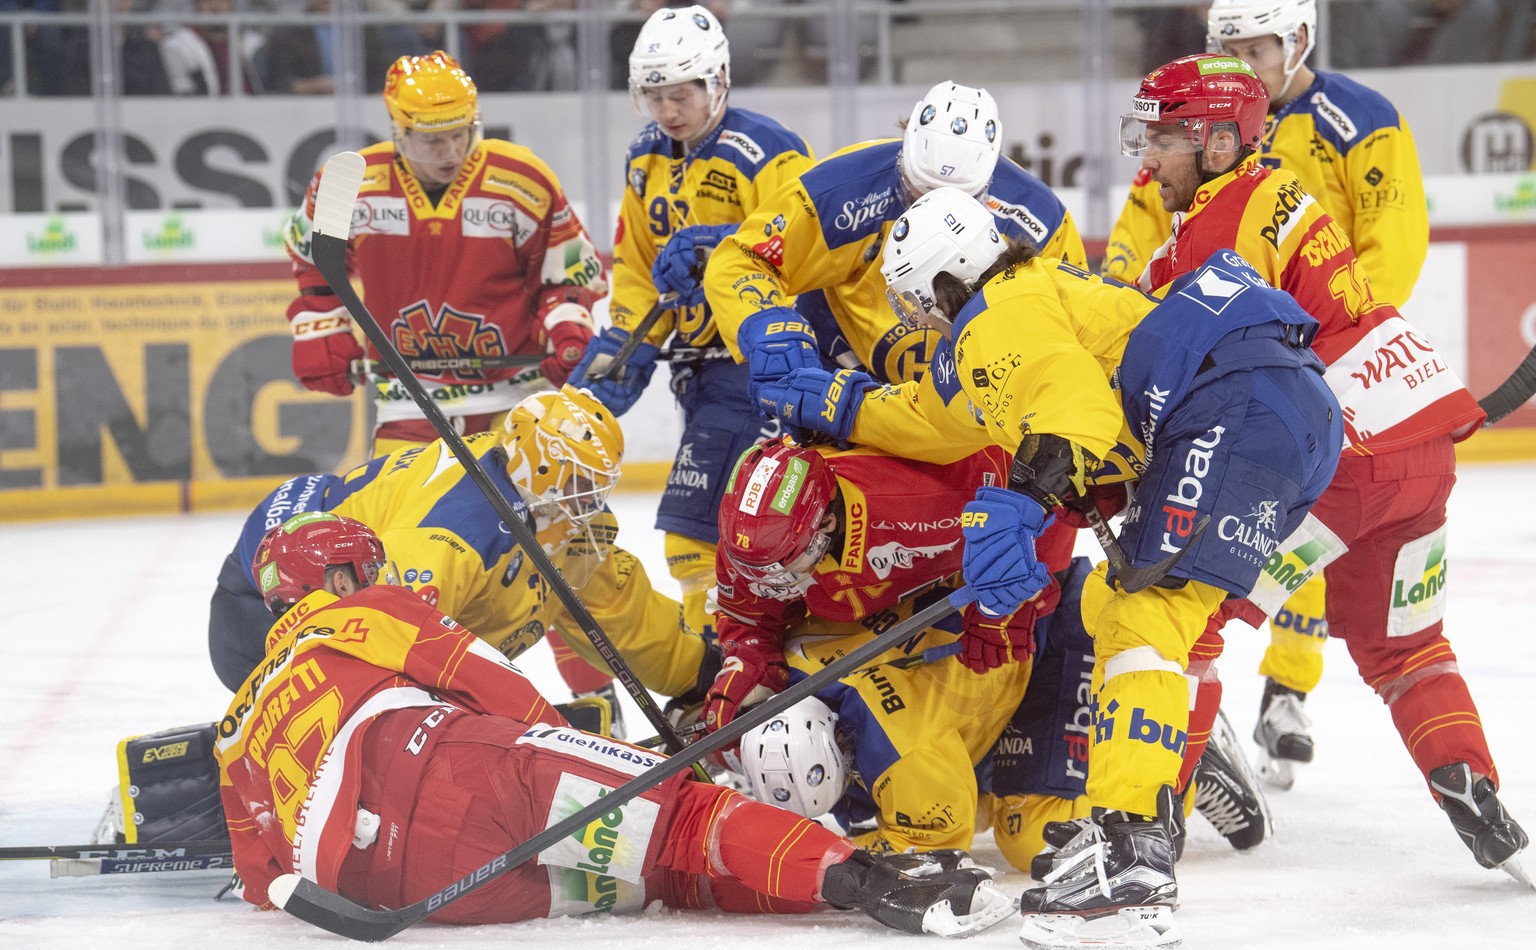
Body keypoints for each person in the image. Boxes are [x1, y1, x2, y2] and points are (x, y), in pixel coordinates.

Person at [760, 187, 1343, 946]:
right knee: (1123, 611)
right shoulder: (1030, 296)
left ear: (946, 281)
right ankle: (1141, 817)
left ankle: (1131, 857)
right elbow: (939, 421)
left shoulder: (996, 317)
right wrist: (839, 404)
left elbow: (1075, 412)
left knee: (1139, 616)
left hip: (1232, 410)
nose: (914, 319)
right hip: (1291, 415)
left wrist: (1019, 505)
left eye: (913, 300)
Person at [215, 510, 1016, 937]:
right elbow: (491, 687)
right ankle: (866, 880)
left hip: (407, 888)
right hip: (455, 771)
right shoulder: (358, 611)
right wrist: (574, 756)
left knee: (644, 870)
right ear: (345, 575)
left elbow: (262, 885)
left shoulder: (232, 731)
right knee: (674, 826)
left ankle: (834, 879)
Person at [1122, 53, 1528, 880]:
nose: (1147, 157)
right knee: (1410, 650)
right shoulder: (1281, 189)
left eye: (1164, 136)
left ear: (1217, 141)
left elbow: (1183, 368)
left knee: (1183, 623)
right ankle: (1471, 783)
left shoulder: (1212, 229)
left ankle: (1144, 826)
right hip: (1417, 440)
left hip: (1326, 458)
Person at [1103, 0, 1434, 778]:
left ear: (1299, 41)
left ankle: (1278, 689)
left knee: (1295, 530)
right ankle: (1201, 703)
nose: (1242, 62)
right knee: (1269, 530)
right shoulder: (1197, 124)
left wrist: (1338, 342)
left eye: (1256, 47)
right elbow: (1143, 228)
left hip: (1323, 353)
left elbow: (1394, 237)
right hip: (1244, 358)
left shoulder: (1358, 117)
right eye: (1229, 47)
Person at [208, 387, 715, 744]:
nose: (591, 500)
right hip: (268, 601)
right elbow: (381, 649)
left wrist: (703, 677)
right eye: (580, 483)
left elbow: (618, 612)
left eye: (597, 485)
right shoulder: (452, 533)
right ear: (537, 468)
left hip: (349, 586)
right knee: (385, 715)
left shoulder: (555, 515)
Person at [705, 438, 1090, 870]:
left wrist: (1019, 593)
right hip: (958, 674)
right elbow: (748, 613)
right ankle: (979, 779)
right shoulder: (757, 542)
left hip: (1045, 635)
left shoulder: (918, 499)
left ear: (827, 523)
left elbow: (1046, 476)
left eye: (783, 565)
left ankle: (1170, 758)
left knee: (1034, 842)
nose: (766, 582)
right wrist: (748, 662)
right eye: (753, 569)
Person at [568, 5, 814, 643]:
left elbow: (810, 247)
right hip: (697, 371)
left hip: (758, 366)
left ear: (718, 81)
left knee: (693, 533)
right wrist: (626, 340)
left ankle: (715, 667)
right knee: (736, 535)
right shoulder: (644, 156)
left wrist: (725, 246)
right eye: (655, 96)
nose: (668, 109)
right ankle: (737, 668)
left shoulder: (767, 150)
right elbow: (636, 263)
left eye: (681, 94)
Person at [282, 49, 606, 456]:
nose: (452, 152)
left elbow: (566, 272)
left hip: (517, 397)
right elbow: (312, 261)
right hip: (407, 396)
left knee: (541, 515)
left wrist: (567, 325)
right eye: (434, 140)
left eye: (460, 133)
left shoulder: (522, 179)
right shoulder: (349, 183)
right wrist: (321, 327)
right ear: (401, 132)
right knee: (399, 516)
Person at [704, 80, 1087, 407]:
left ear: (988, 181)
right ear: (904, 156)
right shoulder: (840, 188)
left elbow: (1071, 332)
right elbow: (746, 258)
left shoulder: (1042, 221)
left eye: (955, 202)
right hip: (844, 382)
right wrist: (762, 319)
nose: (932, 211)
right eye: (920, 194)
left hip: (977, 403)